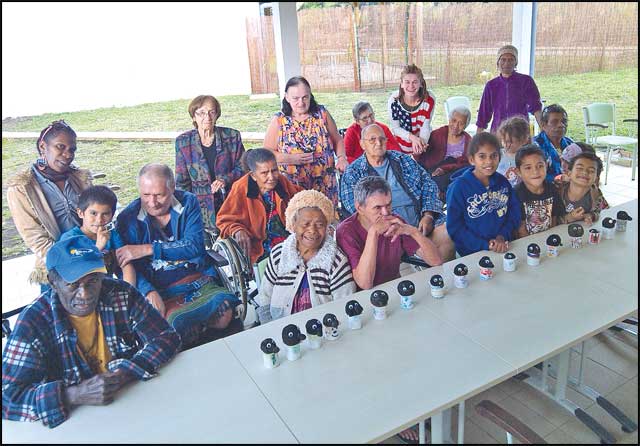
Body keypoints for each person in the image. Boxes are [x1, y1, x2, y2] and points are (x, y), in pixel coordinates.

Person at [2, 236, 180, 428]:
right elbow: (7, 397)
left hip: (131, 402)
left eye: (93, 281)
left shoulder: (121, 293)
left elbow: (166, 337)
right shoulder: (33, 322)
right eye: (73, 284)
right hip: (75, 424)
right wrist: (73, 394)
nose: (85, 294)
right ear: (53, 283)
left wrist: (125, 373)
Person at [116, 163, 241, 348]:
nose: (152, 202)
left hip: (196, 279)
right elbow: (126, 266)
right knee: (174, 326)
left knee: (224, 315)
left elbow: (194, 246)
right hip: (160, 287)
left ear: (172, 188)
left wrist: (148, 249)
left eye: (159, 195)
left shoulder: (187, 202)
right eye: (146, 195)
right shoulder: (128, 219)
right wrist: (148, 291)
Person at [340, 123, 455, 261]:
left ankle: (442, 272)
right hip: (387, 233)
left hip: (420, 224)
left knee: (448, 233)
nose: (378, 143)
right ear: (362, 144)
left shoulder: (402, 160)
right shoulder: (353, 173)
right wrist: (389, 225)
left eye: (382, 139)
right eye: (372, 140)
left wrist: (428, 215)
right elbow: (356, 210)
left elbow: (428, 185)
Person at [7, 120, 92, 291]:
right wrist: (72, 263)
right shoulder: (23, 188)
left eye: (72, 149)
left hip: (90, 262)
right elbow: (35, 238)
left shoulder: (80, 179)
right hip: (56, 268)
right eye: (60, 147)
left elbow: (94, 218)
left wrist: (93, 255)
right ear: (42, 146)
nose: (67, 155)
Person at [256, 190, 356, 324]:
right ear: (293, 225)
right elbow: (265, 299)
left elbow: (344, 305)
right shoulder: (279, 255)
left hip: (324, 329)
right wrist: (270, 328)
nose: (312, 230)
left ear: (327, 227)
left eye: (320, 225)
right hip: (280, 327)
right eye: (305, 224)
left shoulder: (336, 261)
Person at [337, 176, 443, 290]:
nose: (385, 212)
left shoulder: (395, 221)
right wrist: (373, 233)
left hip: (394, 288)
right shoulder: (346, 231)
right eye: (377, 207)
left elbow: (436, 261)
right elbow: (365, 284)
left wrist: (413, 232)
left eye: (388, 205)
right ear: (360, 208)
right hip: (363, 296)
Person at [263, 76, 347, 209]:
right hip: (293, 187)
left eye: (305, 97)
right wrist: (291, 158)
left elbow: (337, 139)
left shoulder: (322, 114)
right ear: (287, 97)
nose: (301, 103)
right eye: (295, 98)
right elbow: (266, 153)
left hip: (325, 185)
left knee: (326, 217)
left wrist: (342, 158)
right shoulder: (279, 121)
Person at [216, 148, 303, 266]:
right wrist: (237, 230)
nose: (271, 177)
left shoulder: (281, 181)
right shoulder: (241, 188)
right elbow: (224, 219)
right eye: (264, 173)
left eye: (274, 170)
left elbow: (301, 198)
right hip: (259, 248)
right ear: (253, 175)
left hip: (288, 242)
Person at [175, 95, 245, 233]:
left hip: (231, 202)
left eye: (211, 112)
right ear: (193, 117)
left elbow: (244, 167)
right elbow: (182, 182)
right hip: (200, 208)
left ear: (217, 114)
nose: (207, 117)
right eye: (201, 113)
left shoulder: (232, 136)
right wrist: (187, 210)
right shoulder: (183, 142)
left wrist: (225, 180)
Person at [446, 132, 521, 256]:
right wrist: (484, 244)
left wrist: (502, 236)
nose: (489, 161)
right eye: (482, 156)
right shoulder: (459, 188)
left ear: (499, 157)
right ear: (472, 159)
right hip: (471, 253)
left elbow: (513, 213)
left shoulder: (503, 182)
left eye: (493, 156)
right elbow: (455, 227)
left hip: (503, 246)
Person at [60, 185, 136, 286]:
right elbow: (74, 273)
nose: (99, 220)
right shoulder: (70, 239)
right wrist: (98, 248)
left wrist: (129, 290)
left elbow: (126, 264)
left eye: (105, 214)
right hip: (81, 290)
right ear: (81, 213)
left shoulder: (112, 234)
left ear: (112, 215)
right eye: (93, 213)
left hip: (106, 288)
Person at [476, 44, 543, 134]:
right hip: (498, 132)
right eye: (503, 59)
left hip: (520, 132)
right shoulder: (491, 85)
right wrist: (477, 138)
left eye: (511, 60)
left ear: (516, 63)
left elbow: (536, 107)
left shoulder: (526, 81)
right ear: (498, 62)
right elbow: (483, 114)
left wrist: (544, 130)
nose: (507, 63)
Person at [414, 105, 472, 195]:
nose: (456, 126)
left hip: (452, 175)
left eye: (461, 123)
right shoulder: (437, 134)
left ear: (466, 126)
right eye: (454, 120)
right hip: (433, 172)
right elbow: (421, 157)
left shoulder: (469, 141)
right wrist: (418, 150)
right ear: (449, 120)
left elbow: (466, 165)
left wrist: (444, 169)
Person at [514, 145, 565, 237]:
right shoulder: (516, 194)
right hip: (526, 241)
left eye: (540, 166)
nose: (535, 172)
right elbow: (521, 229)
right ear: (518, 172)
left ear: (546, 166)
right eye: (528, 168)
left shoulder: (552, 189)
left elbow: (554, 218)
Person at [387, 64, 436, 155]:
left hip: (421, 142)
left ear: (421, 83)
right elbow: (395, 128)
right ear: (401, 84)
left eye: (415, 82)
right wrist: (413, 138)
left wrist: (421, 144)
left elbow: (425, 126)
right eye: (407, 82)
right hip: (399, 146)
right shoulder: (393, 100)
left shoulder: (429, 99)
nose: (411, 86)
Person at [555, 151, 609, 225]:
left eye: (591, 171)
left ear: (596, 179)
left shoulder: (596, 195)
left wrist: (590, 216)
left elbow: (601, 212)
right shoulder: (556, 191)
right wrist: (570, 218)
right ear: (569, 173)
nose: (585, 172)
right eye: (580, 168)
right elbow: (547, 221)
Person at [533, 104, 572, 182]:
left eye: (564, 121)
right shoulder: (534, 147)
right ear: (543, 125)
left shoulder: (571, 144)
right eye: (555, 122)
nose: (561, 125)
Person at [496, 116, 531, 187]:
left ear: (523, 140)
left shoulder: (528, 157)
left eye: (510, 142)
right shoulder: (497, 155)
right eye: (503, 140)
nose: (505, 145)